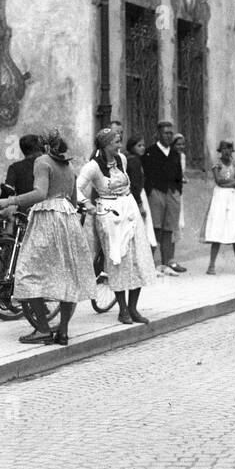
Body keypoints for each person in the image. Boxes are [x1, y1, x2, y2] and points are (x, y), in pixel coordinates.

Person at [0, 128, 97, 346]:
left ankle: (43, 330)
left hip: (47, 218)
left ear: (45, 146)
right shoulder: (68, 166)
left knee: (26, 273)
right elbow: (74, 202)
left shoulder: (42, 162)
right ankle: (63, 331)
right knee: (68, 276)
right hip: (68, 219)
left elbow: (39, 193)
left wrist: (9, 201)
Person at [77, 127, 155, 324]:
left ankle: (133, 308)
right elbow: (76, 187)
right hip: (109, 214)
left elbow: (126, 183)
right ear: (105, 145)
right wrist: (87, 204)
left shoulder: (123, 160)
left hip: (129, 210)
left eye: (120, 141)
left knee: (137, 257)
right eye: (116, 142)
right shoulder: (93, 167)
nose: (120, 145)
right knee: (118, 259)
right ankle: (122, 310)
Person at [144, 120, 187, 275]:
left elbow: (178, 174)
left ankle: (167, 263)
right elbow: (146, 175)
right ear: (158, 134)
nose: (168, 136)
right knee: (155, 228)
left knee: (169, 229)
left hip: (172, 193)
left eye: (170, 133)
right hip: (156, 193)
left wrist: (177, 191)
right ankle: (149, 264)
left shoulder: (175, 154)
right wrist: (151, 191)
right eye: (165, 133)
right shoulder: (150, 152)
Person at [202, 139, 235, 274]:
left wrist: (230, 183)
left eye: (229, 148)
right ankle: (211, 265)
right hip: (220, 197)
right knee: (217, 227)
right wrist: (233, 182)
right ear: (220, 151)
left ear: (232, 151)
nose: (226, 151)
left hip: (234, 198)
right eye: (224, 149)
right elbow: (218, 181)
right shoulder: (217, 164)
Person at [126, 135, 158, 252]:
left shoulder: (133, 159)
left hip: (137, 195)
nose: (143, 148)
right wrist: (140, 204)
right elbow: (135, 185)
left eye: (144, 145)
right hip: (138, 195)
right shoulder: (134, 161)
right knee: (144, 227)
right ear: (131, 147)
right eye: (139, 145)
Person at [1, 133, 41, 199]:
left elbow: (6, 191)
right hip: (47, 207)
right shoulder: (47, 165)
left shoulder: (14, 168)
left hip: (24, 207)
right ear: (37, 148)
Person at [172, 132, 189, 236]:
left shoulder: (182, 156)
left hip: (179, 187)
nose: (181, 147)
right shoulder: (170, 156)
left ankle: (177, 232)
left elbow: (182, 173)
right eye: (178, 144)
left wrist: (184, 178)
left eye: (182, 144)